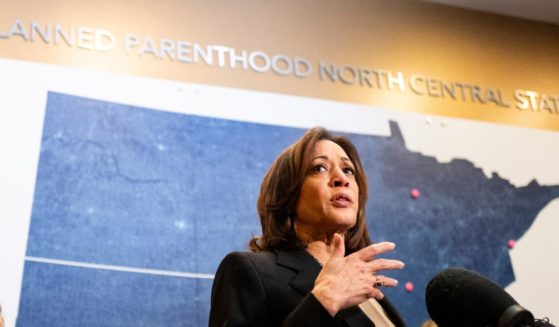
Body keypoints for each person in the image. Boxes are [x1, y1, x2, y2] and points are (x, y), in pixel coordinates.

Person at [209, 127, 406, 326]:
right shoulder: (249, 270)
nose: (342, 179)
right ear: (287, 195)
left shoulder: (367, 287)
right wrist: (324, 301)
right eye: (319, 168)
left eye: (348, 170)